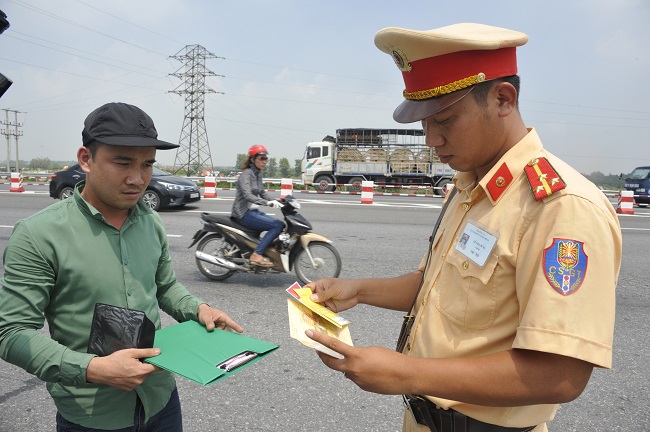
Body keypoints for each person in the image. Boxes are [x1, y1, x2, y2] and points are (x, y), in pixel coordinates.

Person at [304, 23, 622, 432]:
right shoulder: (469, 184)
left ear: (503, 99)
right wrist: (358, 290)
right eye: (424, 124)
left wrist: (405, 373)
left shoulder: (561, 206)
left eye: (446, 120)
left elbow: (559, 374)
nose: (431, 140)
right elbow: (436, 286)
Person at [0, 102, 243, 432]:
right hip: (92, 414)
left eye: (147, 165)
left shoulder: (150, 222)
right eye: (123, 162)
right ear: (86, 159)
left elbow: (165, 286)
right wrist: (94, 368)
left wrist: (198, 309)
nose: (138, 178)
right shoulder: (39, 235)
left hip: (160, 399)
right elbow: (12, 333)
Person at [231, 145, 285, 267]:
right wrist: (267, 203)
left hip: (253, 211)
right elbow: (247, 195)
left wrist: (278, 201)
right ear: (252, 159)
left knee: (281, 224)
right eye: (261, 158)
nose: (264, 161)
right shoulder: (246, 175)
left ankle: (265, 251)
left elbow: (262, 193)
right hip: (243, 213)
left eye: (266, 159)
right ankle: (257, 254)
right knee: (276, 225)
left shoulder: (257, 174)